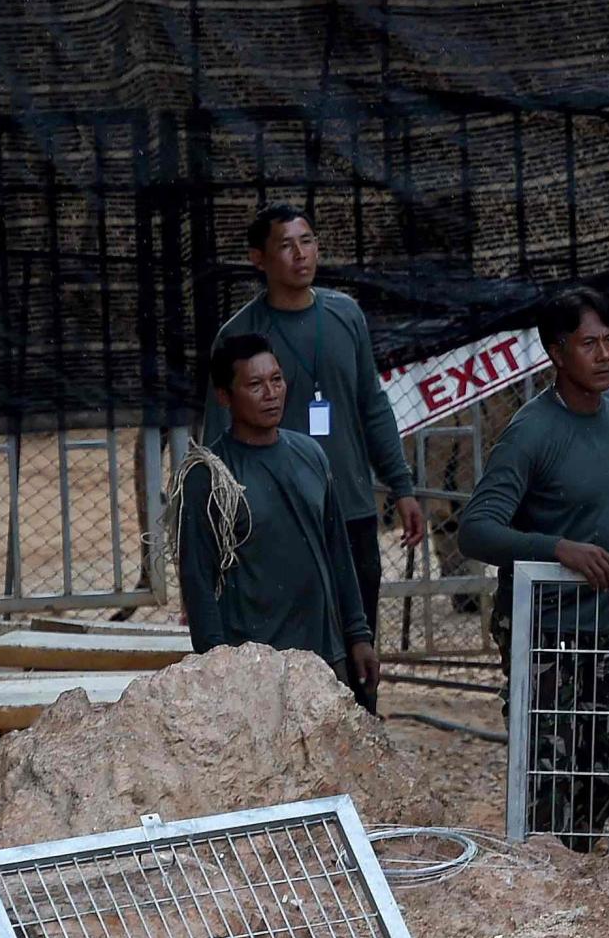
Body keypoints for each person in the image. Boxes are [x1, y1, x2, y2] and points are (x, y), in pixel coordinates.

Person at [457, 287, 609, 843]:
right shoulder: (533, 432)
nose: (604, 356)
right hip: (545, 630)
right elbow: (477, 528)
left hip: (606, 623)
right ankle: (547, 872)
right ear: (556, 352)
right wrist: (558, 548)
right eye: (587, 344)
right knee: (550, 769)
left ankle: (576, 857)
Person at [205, 205, 424, 643]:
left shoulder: (346, 314)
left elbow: (372, 405)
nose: (300, 254)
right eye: (285, 245)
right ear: (258, 259)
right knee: (289, 644)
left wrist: (401, 487)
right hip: (275, 518)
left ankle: (361, 713)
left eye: (307, 242)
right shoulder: (239, 335)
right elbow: (217, 445)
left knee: (358, 638)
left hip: (350, 508)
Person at [176, 334, 379, 707]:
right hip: (253, 669)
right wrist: (217, 667)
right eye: (255, 385)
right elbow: (198, 580)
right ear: (225, 396)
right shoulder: (211, 475)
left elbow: (338, 553)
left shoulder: (311, 455)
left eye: (277, 379)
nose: (271, 393)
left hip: (323, 658)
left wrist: (358, 635)